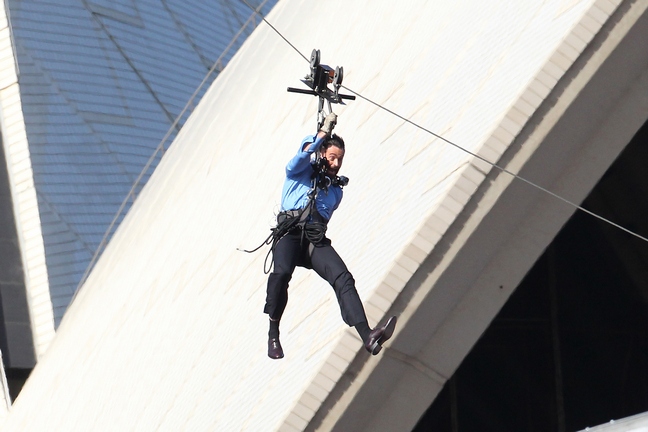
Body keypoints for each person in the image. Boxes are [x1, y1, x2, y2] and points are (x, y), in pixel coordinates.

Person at [264, 112, 397, 359]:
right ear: (320, 154)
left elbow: (323, 217)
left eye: (340, 159)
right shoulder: (298, 173)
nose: (336, 164)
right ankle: (273, 332)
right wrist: (321, 135)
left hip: (313, 239)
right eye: (332, 157)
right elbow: (299, 158)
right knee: (281, 273)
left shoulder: (335, 191)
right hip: (290, 233)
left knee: (343, 277)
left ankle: (367, 334)